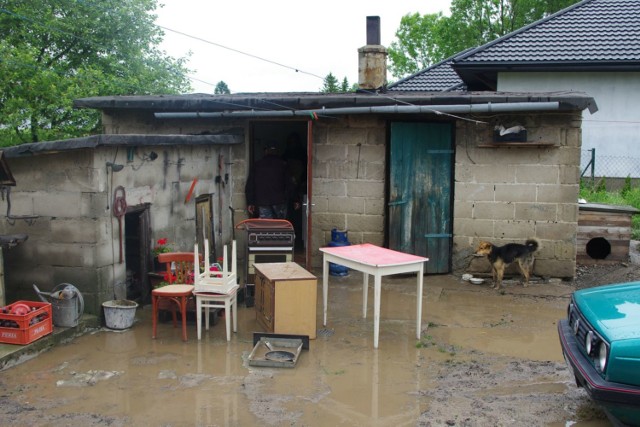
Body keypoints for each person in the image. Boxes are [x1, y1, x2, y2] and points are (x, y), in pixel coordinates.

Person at [245, 144, 296, 219]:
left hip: (263, 202)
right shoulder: (283, 164)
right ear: (276, 152)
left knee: (267, 227)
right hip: (279, 201)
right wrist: (295, 199)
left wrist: (250, 202)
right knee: (281, 226)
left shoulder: (257, 165)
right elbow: (290, 184)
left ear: (265, 151)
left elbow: (250, 185)